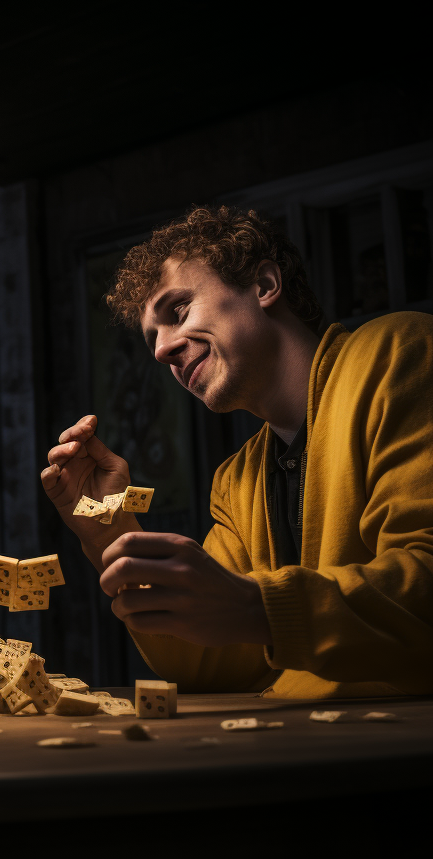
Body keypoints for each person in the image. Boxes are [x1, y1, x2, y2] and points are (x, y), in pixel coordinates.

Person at [41, 204, 433, 698]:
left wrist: (257, 608)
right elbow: (212, 666)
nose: (161, 350)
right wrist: (107, 528)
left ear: (265, 286)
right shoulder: (237, 479)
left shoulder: (398, 352)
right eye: (152, 338)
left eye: (178, 311)